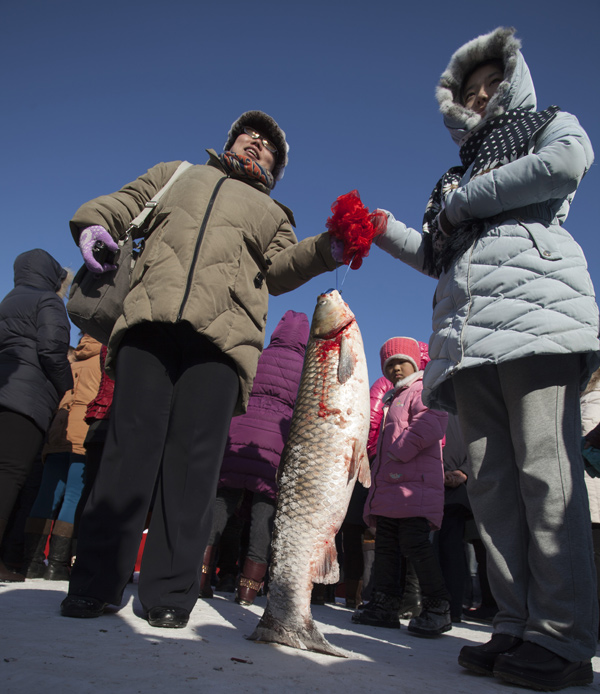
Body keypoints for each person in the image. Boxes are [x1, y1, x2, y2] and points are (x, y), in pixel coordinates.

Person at [371, 27, 598, 690]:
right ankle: (516, 624)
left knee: (546, 478)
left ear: (514, 81)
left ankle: (563, 637)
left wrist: (467, 199)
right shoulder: (454, 178)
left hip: (540, 318)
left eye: (489, 85)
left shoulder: (549, 124)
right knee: (496, 489)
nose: (479, 98)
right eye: (468, 94)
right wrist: (383, 230)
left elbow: (566, 165)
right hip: (467, 342)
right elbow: (439, 257)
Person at [61, 110, 348, 629]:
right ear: (230, 141)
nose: (256, 143)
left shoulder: (273, 213)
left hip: (223, 344)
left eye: (269, 146)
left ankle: (170, 592)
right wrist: (96, 224)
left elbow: (282, 269)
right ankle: (94, 583)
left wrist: (330, 247)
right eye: (248, 135)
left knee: (194, 468)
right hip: (148, 320)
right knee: (128, 453)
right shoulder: (177, 172)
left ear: (276, 169)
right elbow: (124, 202)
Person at [200, 309, 309, 606]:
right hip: (274, 450)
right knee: (264, 518)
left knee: (221, 506)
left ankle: (200, 578)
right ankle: (247, 591)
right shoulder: (306, 367)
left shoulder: (258, 355)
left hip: (239, 439)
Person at [353, 337, 449, 636]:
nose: (395, 369)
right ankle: (385, 604)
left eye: (400, 362)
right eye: (389, 364)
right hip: (392, 486)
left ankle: (437, 606)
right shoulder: (394, 397)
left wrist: (399, 451)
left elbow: (433, 422)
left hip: (414, 485)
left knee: (415, 545)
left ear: (414, 362)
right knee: (386, 547)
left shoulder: (423, 389)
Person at [0, 249, 73, 581]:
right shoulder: (48, 301)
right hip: (27, 399)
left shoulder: (10, 300)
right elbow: (52, 348)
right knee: (12, 479)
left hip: (5, 389)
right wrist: (64, 386)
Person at [23, 333, 102, 580]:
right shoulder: (103, 359)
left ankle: (32, 560)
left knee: (48, 492)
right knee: (73, 495)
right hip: (84, 427)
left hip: (59, 426)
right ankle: (57, 564)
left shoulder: (72, 359)